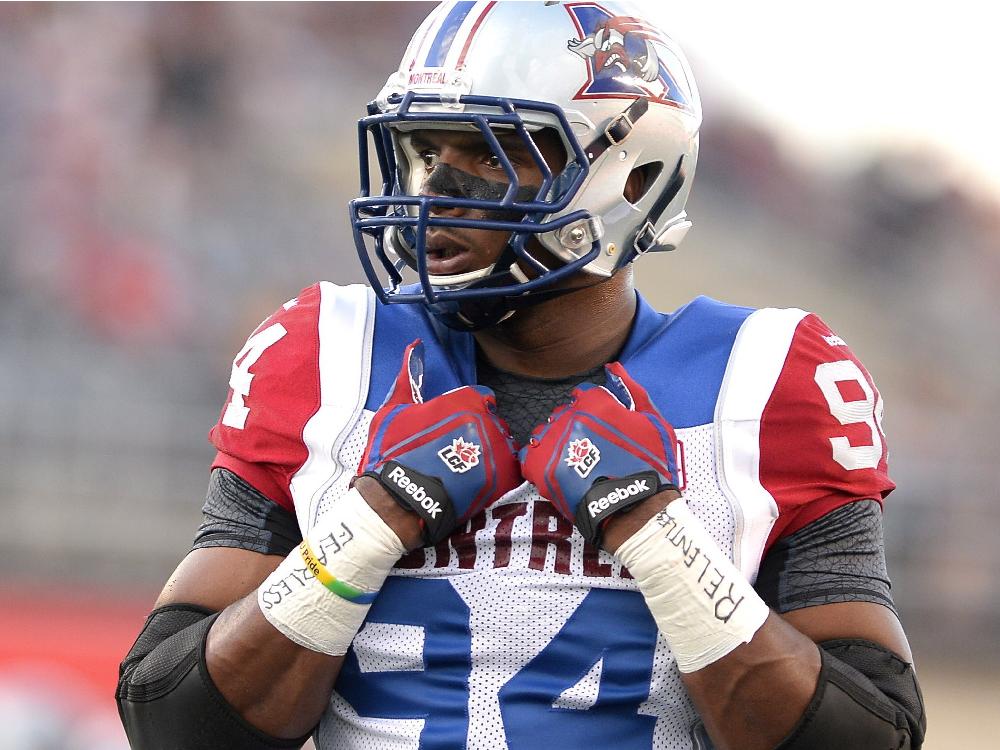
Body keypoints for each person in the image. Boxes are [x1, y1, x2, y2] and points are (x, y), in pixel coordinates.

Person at [116, 2, 926, 748]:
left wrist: (660, 539)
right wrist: (367, 529)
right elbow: (172, 719)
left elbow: (873, 731)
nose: (437, 192)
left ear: (632, 179)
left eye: (494, 156)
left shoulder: (764, 381)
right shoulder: (327, 354)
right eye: (426, 151)